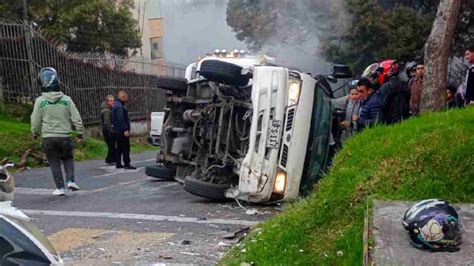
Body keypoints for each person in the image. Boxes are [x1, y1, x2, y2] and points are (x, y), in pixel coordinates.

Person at [31, 67, 84, 196]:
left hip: (49, 137)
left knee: (54, 162)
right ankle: (71, 180)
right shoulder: (67, 100)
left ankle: (60, 187)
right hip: (65, 136)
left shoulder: (40, 101)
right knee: (68, 158)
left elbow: (35, 119)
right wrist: (80, 132)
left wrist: (35, 132)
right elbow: (76, 117)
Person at [378, 60, 410, 124]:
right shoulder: (404, 83)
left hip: (389, 121)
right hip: (404, 119)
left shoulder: (384, 87)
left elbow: (382, 106)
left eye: (381, 72)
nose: (379, 74)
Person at [112, 90, 136, 170]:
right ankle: (127, 163)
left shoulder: (116, 105)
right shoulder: (119, 107)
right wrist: (125, 129)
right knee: (125, 147)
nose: (127, 98)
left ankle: (118, 163)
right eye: (125, 97)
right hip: (121, 131)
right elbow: (121, 119)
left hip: (117, 130)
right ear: (122, 97)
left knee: (119, 147)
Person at [100, 95, 116, 164]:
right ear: (107, 102)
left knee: (111, 146)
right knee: (111, 145)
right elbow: (107, 123)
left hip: (108, 130)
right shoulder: (106, 111)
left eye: (113, 100)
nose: (113, 102)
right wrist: (113, 130)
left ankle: (111, 159)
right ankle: (109, 159)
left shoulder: (110, 109)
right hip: (108, 131)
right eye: (111, 101)